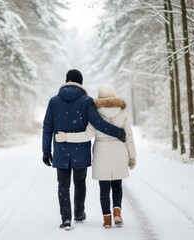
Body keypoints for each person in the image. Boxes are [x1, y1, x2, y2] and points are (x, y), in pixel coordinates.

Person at [42, 70, 126, 231]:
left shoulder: (54, 101)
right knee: (80, 183)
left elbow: (47, 127)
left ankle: (66, 219)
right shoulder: (87, 101)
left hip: (60, 151)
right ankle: (79, 213)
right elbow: (98, 123)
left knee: (63, 185)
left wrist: (46, 150)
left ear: (66, 81)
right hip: (81, 150)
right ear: (80, 83)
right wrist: (119, 133)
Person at [55, 83, 136, 228]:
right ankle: (117, 213)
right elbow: (128, 136)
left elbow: (87, 135)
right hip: (119, 150)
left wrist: (66, 137)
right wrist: (132, 156)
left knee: (104, 187)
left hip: (101, 152)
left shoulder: (95, 113)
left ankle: (106, 220)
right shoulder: (123, 112)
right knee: (117, 184)